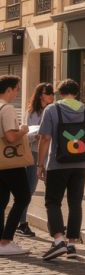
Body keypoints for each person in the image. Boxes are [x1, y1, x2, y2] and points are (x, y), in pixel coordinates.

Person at [36, 79, 85, 261]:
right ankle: (72, 243)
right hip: (81, 164)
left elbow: (45, 138)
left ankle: (59, 241)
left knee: (52, 201)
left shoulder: (52, 109)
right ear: (77, 93)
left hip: (58, 163)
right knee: (75, 202)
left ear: (59, 93)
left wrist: (40, 164)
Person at [0, 75, 31, 256]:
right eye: (17, 89)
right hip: (10, 161)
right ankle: (5, 241)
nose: (17, 93)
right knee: (23, 197)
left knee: (1, 201)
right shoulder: (7, 108)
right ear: (9, 89)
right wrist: (23, 130)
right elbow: (11, 137)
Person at [18, 82, 54, 237]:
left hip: (50, 154)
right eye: (48, 93)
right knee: (29, 189)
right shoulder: (32, 112)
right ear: (41, 95)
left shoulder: (53, 110)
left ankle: (54, 225)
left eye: (53, 93)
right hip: (34, 153)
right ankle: (21, 223)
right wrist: (38, 135)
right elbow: (26, 135)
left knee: (52, 191)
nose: (52, 96)